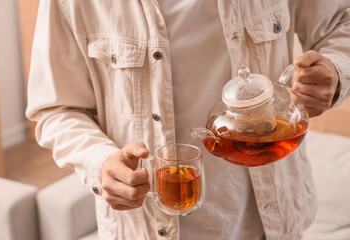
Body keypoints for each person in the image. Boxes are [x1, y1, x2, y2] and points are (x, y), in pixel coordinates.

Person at [26, 0, 350, 239]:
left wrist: (335, 69)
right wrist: (99, 162)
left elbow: (342, 22)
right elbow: (55, 110)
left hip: (272, 225)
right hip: (147, 229)